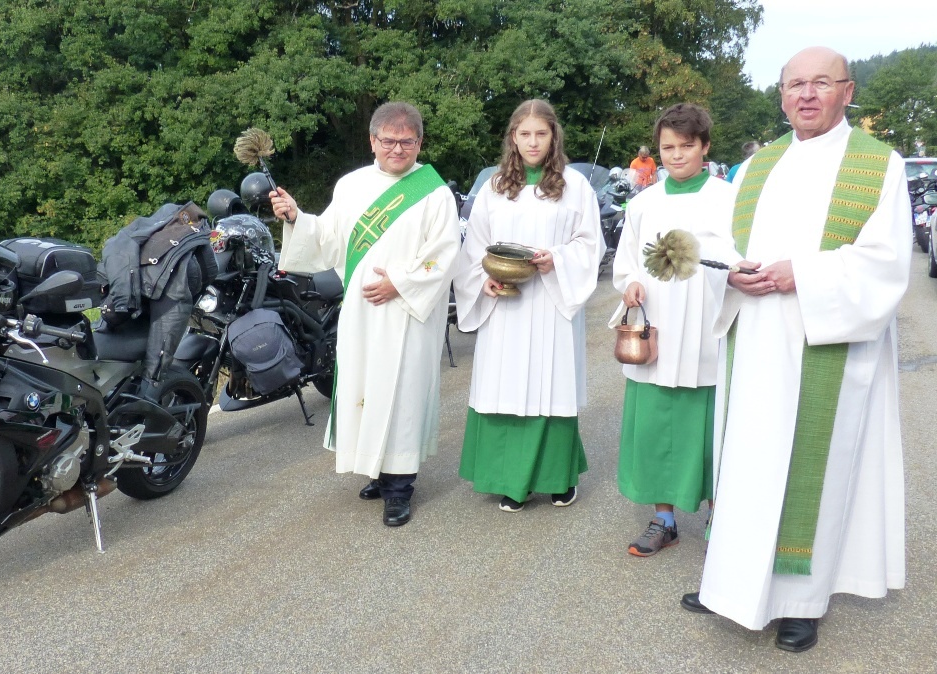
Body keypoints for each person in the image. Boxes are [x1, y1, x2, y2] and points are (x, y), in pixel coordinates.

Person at [681, 46, 909, 653]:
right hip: (754, 339)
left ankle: (800, 602)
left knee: (810, 470)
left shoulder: (878, 166)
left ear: (848, 90)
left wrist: (799, 275)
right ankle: (729, 583)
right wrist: (728, 273)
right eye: (794, 85)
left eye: (821, 83)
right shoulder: (757, 166)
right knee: (748, 461)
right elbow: (722, 243)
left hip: (823, 338)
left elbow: (886, 263)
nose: (806, 95)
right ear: (781, 95)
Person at [268, 101, 461, 528]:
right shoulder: (352, 185)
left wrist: (401, 283)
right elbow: (329, 239)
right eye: (388, 141)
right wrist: (297, 216)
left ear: (419, 143)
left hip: (409, 312)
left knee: (403, 392)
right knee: (367, 388)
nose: (397, 149)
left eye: (406, 141)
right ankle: (377, 468)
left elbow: (445, 255)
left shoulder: (433, 192)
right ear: (372, 141)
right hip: (361, 310)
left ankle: (399, 488)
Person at [453, 99, 603, 512]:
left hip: (552, 304)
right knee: (506, 386)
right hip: (506, 308)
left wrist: (557, 259)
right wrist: (485, 280)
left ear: (553, 136)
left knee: (551, 386)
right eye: (524, 134)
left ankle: (558, 479)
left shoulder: (575, 186)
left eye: (541, 133)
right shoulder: (496, 188)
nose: (532, 142)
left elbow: (590, 244)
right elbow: (475, 247)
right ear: (513, 138)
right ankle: (509, 481)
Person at [609, 103, 735, 556]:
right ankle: (664, 518)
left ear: (705, 147)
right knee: (658, 426)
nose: (676, 156)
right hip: (659, 328)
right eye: (667, 148)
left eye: (686, 146)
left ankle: (722, 513)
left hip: (707, 328)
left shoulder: (729, 198)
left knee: (712, 427)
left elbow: (741, 258)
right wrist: (631, 285)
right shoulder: (644, 203)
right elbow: (625, 265)